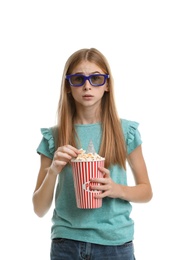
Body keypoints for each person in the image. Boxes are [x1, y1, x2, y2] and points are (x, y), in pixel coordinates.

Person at [32, 48, 153, 260]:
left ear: (107, 85)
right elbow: (39, 208)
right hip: (66, 243)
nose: (87, 85)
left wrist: (116, 189)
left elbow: (146, 191)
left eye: (96, 78)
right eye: (78, 78)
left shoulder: (125, 132)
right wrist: (53, 171)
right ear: (68, 86)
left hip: (115, 244)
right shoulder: (54, 136)